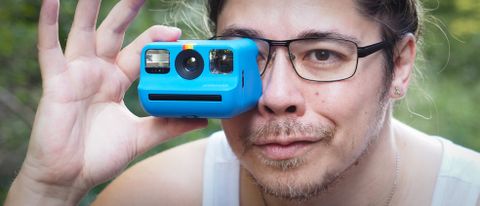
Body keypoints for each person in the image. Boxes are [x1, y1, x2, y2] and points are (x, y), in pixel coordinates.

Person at [5, 0, 480, 205]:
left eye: (321, 55)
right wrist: (48, 189)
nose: (274, 97)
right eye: (244, 56)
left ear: (399, 65)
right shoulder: (163, 196)